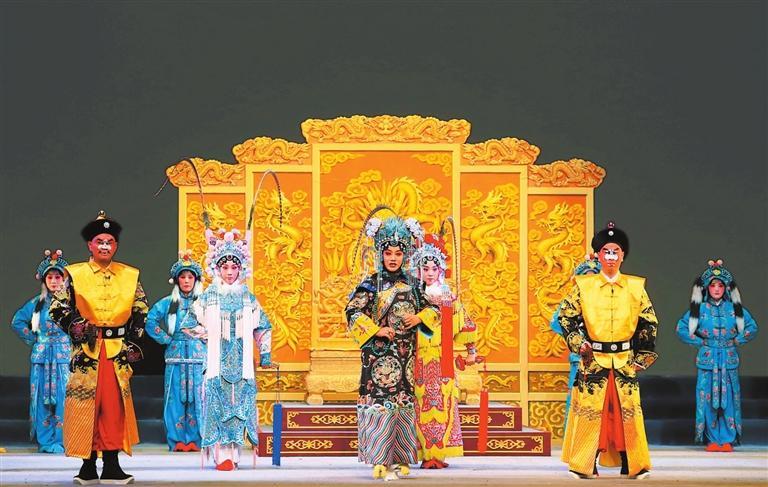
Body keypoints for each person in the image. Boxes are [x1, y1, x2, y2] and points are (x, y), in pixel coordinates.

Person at [50, 210, 148, 485]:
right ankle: (87, 465)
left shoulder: (130, 275)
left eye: (109, 242)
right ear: (90, 245)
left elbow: (141, 309)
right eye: (100, 241)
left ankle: (113, 465)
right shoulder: (75, 274)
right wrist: (77, 326)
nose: (105, 246)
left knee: (113, 408)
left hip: (117, 352)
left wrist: (133, 342)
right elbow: (57, 308)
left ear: (115, 245)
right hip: (87, 353)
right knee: (86, 407)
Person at [558, 222, 658, 480]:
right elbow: (565, 317)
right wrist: (579, 342)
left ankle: (633, 463)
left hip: (625, 359)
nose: (611, 257)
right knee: (592, 412)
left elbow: (648, 321)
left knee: (627, 412)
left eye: (616, 252)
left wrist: (642, 356)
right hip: (593, 360)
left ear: (623, 255)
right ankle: (584, 463)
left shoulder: (635, 287)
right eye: (606, 252)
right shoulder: (584, 286)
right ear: (598, 255)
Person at [345, 215, 439, 481]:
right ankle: (379, 458)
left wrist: (419, 318)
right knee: (380, 405)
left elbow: (434, 309)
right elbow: (352, 311)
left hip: (406, 355)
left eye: (398, 253)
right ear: (381, 254)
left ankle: (400, 458)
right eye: (388, 253)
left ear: (405, 255)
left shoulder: (414, 284)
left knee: (403, 404)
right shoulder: (370, 284)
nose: (393, 258)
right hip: (378, 357)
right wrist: (376, 330)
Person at [187, 228, 276, 471]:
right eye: (224, 267)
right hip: (216, 364)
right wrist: (208, 335)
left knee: (239, 406)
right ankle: (221, 456)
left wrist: (265, 353)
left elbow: (263, 326)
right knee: (218, 405)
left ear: (240, 269)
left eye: (234, 267)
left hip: (242, 363)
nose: (229, 272)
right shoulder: (208, 297)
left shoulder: (248, 297)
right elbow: (188, 323)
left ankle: (235, 454)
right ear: (216, 269)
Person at [409, 233, 478, 469]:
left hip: (442, 360)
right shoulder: (413, 298)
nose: (430, 273)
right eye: (425, 268)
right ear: (418, 271)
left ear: (441, 270)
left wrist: (471, 351)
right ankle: (424, 453)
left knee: (444, 403)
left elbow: (466, 324)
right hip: (417, 358)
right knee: (420, 404)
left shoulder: (449, 298)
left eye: (434, 268)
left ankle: (438, 454)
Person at [675, 259, 758, 451]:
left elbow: (752, 327)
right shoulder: (700, 309)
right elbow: (681, 328)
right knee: (707, 398)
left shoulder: (734, 309)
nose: (717, 289)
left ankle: (727, 438)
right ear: (707, 288)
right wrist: (700, 342)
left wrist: (737, 340)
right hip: (708, 359)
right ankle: (711, 439)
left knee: (729, 398)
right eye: (713, 285)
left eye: (720, 285)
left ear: (726, 288)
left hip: (728, 358)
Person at [10, 249, 72, 453]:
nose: (54, 281)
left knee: (65, 397)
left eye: (58, 277)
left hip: (64, 356)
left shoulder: (72, 303)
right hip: (42, 356)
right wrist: (35, 338)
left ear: (64, 279)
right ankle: (45, 442)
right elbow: (17, 321)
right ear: (44, 280)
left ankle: (64, 440)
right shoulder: (36, 303)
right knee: (40, 398)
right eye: (50, 277)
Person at [145, 251, 206, 452]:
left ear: (196, 280)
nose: (186, 281)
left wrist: (205, 337)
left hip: (198, 356)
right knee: (175, 398)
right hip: (175, 355)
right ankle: (177, 439)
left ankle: (196, 439)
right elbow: (150, 320)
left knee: (198, 398)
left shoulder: (204, 303)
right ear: (177, 280)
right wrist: (166, 338)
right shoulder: (167, 303)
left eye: (190, 277)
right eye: (183, 277)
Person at [549, 255, 601, 433]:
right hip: (580, 358)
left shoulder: (607, 301)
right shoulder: (572, 301)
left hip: (604, 357)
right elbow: (556, 322)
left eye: (594, 276)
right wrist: (577, 337)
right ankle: (574, 438)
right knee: (577, 399)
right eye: (586, 276)